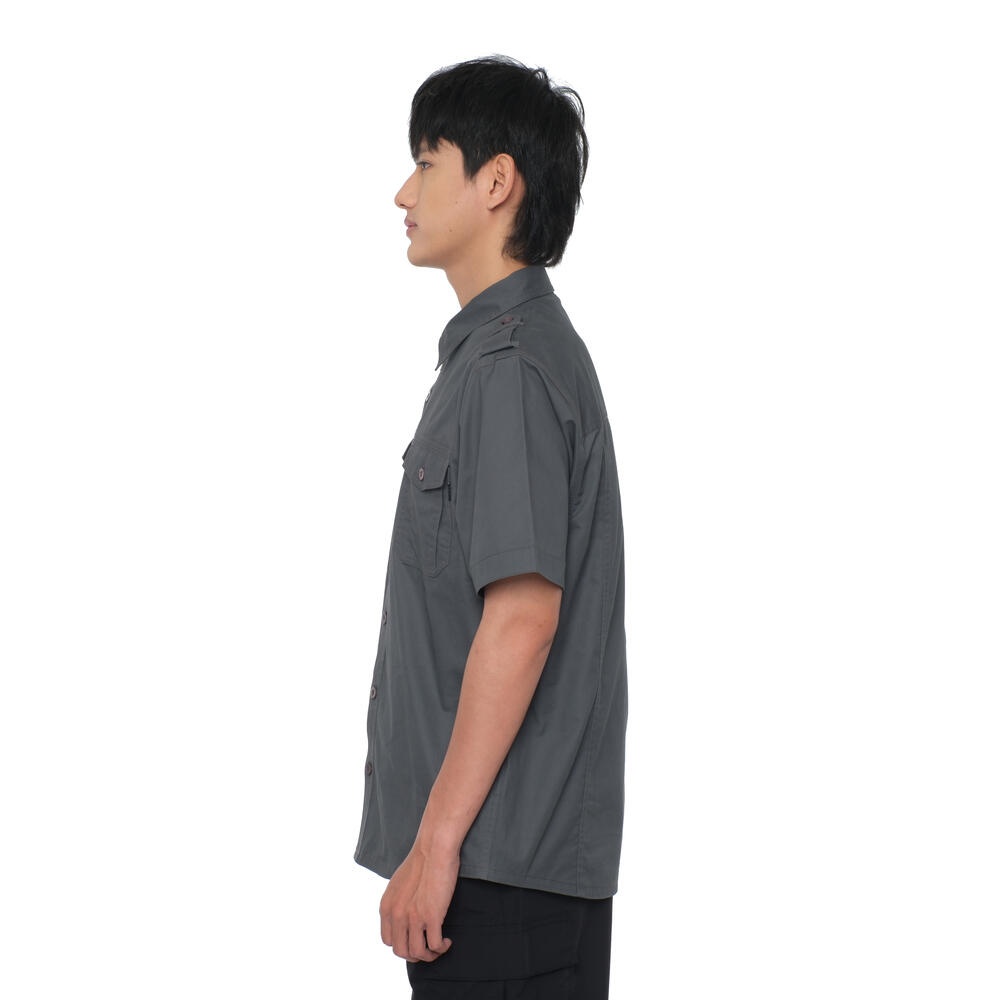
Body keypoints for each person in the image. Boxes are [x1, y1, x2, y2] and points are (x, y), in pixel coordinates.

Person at [355, 56, 627, 999]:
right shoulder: (494, 359)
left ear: (496, 181)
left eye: (427, 163)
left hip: (498, 883)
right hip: (498, 877)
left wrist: (435, 846)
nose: (404, 192)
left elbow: (521, 618)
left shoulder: (510, 368)